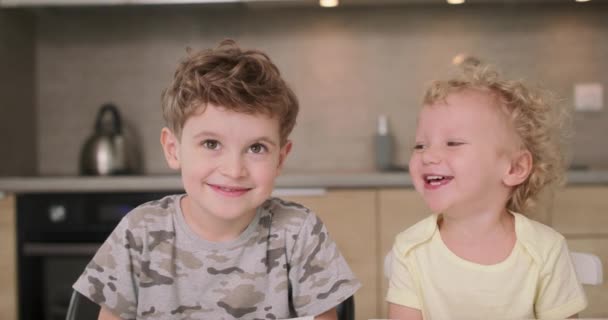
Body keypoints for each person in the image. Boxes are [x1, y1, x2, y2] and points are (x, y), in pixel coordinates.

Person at [73, 39, 360, 320]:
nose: (234, 170)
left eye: (256, 148)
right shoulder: (139, 232)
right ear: (173, 150)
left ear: (280, 159)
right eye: (211, 144)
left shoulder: (299, 233)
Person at [386, 65, 588, 319]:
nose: (427, 155)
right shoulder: (410, 249)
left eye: (453, 143)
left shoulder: (546, 250)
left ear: (515, 167)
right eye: (420, 145)